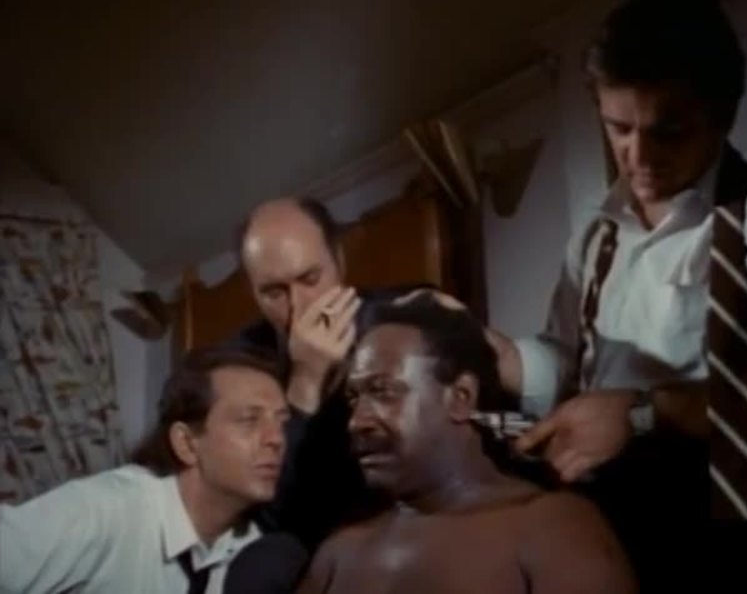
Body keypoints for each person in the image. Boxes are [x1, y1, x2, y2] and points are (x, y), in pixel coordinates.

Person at [474, 0, 747, 588]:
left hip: (737, 554)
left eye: (669, 130)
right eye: (619, 128)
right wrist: (507, 360)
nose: (638, 156)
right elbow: (571, 363)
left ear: (723, 115)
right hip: (611, 544)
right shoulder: (596, 237)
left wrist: (645, 413)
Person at [297, 298, 636, 594]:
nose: (357, 421)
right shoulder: (338, 554)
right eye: (353, 399)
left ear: (461, 398)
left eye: (382, 391)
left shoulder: (552, 530)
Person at [0, 346, 291, 594]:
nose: (276, 439)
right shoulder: (102, 511)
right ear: (186, 443)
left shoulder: (252, 554)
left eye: (281, 422)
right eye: (249, 420)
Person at [235, 197, 429, 546]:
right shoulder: (239, 366)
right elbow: (267, 517)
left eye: (310, 278)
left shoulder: (406, 316)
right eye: (274, 292)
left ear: (339, 260)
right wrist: (305, 382)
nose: (299, 309)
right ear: (253, 293)